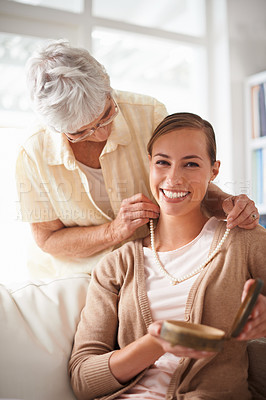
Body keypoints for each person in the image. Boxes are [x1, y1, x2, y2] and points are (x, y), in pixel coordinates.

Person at [16, 39, 259, 279]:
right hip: (78, 277)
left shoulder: (148, 113)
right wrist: (113, 231)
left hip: (152, 262)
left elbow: (181, 182)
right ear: (56, 128)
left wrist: (228, 203)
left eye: (106, 115)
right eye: (80, 132)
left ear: (108, 87)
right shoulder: (33, 153)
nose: (101, 133)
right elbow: (47, 239)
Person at [69, 112, 266, 400]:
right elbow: (84, 380)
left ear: (214, 171)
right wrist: (156, 343)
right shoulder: (116, 266)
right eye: (162, 162)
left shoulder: (243, 240)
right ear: (149, 165)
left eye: (191, 164)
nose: (174, 178)